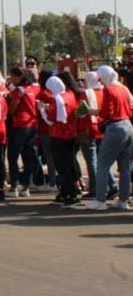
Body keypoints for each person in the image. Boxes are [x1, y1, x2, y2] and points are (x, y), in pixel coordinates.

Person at [85, 66, 133, 210]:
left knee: (103, 164)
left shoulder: (109, 90)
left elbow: (107, 113)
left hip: (115, 127)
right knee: (125, 166)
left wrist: (93, 112)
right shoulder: (124, 88)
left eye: (100, 78)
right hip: (127, 125)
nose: (100, 81)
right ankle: (124, 200)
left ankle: (100, 200)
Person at [43, 73, 80, 207]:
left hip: (58, 134)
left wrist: (43, 111)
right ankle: (66, 192)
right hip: (70, 133)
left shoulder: (56, 99)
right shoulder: (70, 94)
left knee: (62, 167)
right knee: (68, 163)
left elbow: (51, 120)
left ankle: (71, 194)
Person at [7, 67, 40, 198]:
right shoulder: (32, 89)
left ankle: (14, 186)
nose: (10, 79)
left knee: (13, 156)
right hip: (32, 125)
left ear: (18, 77)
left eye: (12, 76)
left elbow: (12, 109)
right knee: (28, 156)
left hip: (19, 125)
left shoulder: (18, 91)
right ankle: (26, 187)